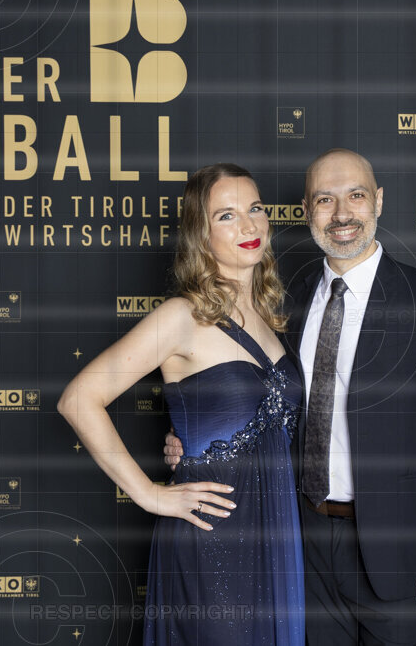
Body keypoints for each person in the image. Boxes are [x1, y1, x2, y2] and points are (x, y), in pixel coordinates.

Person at [166, 149, 416, 645]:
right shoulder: (285, 300)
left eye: (356, 196)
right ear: (306, 210)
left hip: (398, 553)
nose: (341, 214)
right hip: (304, 542)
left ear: (378, 201)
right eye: (324, 200)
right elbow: (262, 397)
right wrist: (194, 434)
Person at [58, 163, 305, 646]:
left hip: (276, 536)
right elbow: (79, 399)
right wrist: (149, 493)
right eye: (226, 215)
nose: (249, 225)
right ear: (200, 234)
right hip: (212, 541)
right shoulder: (181, 316)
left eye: (255, 209)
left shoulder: (269, 316)